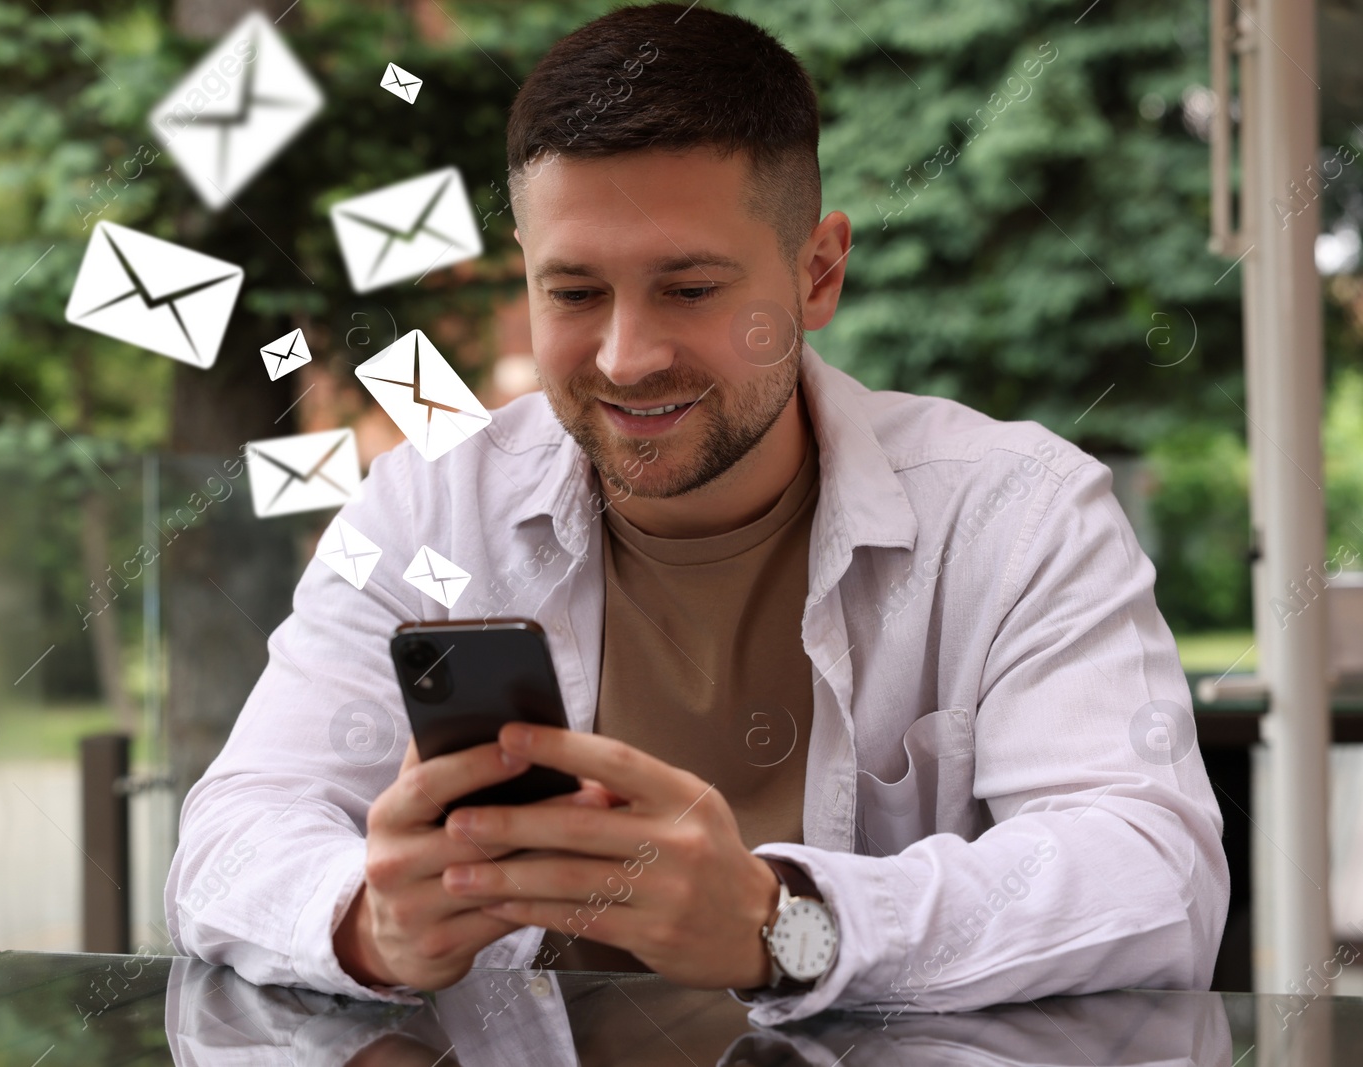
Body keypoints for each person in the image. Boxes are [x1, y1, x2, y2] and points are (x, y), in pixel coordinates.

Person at [165, 3, 1228, 1025]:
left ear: (817, 275)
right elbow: (230, 837)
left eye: (688, 288)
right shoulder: (428, 507)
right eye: (573, 292)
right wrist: (367, 924)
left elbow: (1149, 876)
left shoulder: (1017, 512)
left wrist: (783, 924)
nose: (627, 357)